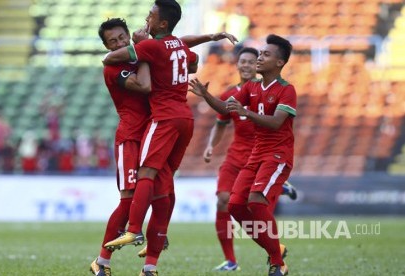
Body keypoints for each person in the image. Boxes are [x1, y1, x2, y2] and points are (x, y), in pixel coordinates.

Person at [91, 16, 237, 276]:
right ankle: (102, 262)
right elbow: (145, 85)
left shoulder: (149, 53)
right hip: (131, 139)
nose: (118, 43)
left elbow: (181, 50)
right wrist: (148, 53)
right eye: (112, 41)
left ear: (128, 36)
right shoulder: (115, 68)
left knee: (163, 198)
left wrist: (210, 38)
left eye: (122, 38)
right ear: (107, 46)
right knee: (128, 201)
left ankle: (150, 267)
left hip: (157, 133)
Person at [189, 34, 296, 276]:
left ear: (279, 63)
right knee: (235, 205)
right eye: (259, 54)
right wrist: (205, 95)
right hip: (253, 156)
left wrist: (246, 112)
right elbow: (227, 110)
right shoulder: (251, 87)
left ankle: (276, 262)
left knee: (256, 202)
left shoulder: (286, 90)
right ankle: (273, 253)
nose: (259, 59)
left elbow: (277, 123)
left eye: (265, 55)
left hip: (276, 155)